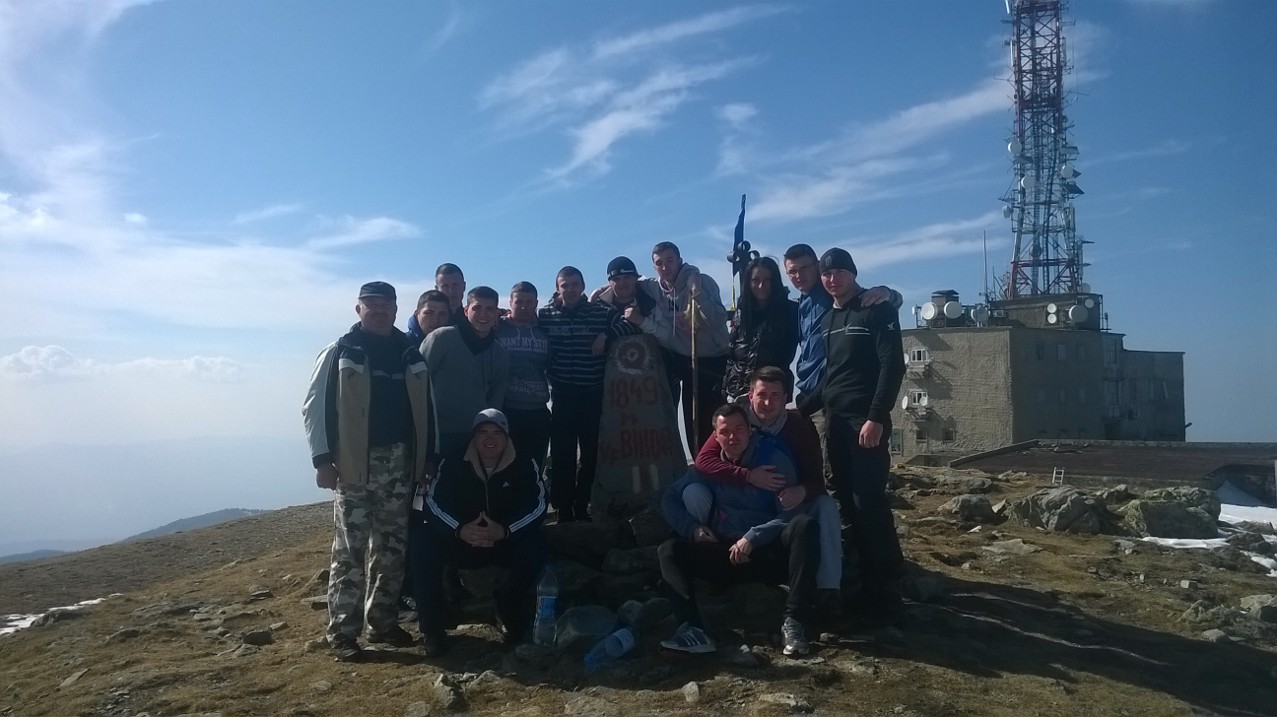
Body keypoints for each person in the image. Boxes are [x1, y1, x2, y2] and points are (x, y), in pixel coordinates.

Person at [302, 281, 433, 661]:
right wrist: (322, 460)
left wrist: (427, 458)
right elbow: (314, 407)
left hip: (401, 463)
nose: (378, 310)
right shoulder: (341, 351)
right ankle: (343, 633)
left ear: (395, 309)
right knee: (350, 551)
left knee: (391, 548)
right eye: (370, 304)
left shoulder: (410, 353)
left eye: (385, 304)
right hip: (353, 465)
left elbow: (428, 410)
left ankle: (382, 623)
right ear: (358, 309)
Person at [657, 403, 819, 657]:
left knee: (805, 526)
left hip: (765, 553)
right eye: (725, 432)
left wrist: (753, 537)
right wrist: (693, 529)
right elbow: (669, 497)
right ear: (716, 436)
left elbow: (791, 513)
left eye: (739, 429)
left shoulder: (774, 460)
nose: (733, 437)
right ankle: (693, 631)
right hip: (724, 551)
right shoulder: (710, 467)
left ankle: (794, 623)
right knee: (669, 550)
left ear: (750, 430)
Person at [804, 248, 907, 622]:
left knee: (868, 502)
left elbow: (892, 365)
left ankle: (889, 584)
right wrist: (797, 409)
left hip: (865, 423)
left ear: (853, 273)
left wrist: (876, 417)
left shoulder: (876, 309)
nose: (832, 279)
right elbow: (832, 376)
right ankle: (862, 580)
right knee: (843, 501)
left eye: (839, 272)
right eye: (827, 274)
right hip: (834, 424)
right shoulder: (829, 319)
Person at [692, 366, 843, 608]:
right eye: (761, 395)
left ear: (786, 398)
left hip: (783, 504)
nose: (767, 403)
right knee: (693, 493)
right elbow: (704, 461)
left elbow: (816, 478)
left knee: (825, 506)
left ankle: (828, 588)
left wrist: (802, 490)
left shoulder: (797, 426)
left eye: (775, 396)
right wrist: (748, 476)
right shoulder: (735, 419)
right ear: (750, 395)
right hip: (740, 502)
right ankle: (710, 560)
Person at [411, 409, 547, 656]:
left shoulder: (525, 462)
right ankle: (432, 628)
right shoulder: (453, 460)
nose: (489, 438)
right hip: (462, 541)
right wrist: (459, 530)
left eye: (497, 432)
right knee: (422, 543)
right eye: (483, 432)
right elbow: (432, 502)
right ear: (473, 437)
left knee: (537, 545)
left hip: (503, 542)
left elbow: (537, 506)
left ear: (507, 436)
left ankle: (507, 607)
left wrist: (505, 531)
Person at [537, 266, 641, 521]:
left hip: (593, 393)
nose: (570, 289)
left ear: (583, 286)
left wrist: (606, 335)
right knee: (562, 454)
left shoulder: (601, 312)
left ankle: (582, 505)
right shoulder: (546, 315)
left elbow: (631, 325)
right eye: (565, 285)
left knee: (591, 453)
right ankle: (562, 508)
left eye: (575, 284)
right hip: (562, 394)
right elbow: (524, 322)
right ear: (557, 288)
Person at [636, 242, 730, 454]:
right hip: (688, 364)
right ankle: (701, 463)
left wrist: (697, 293)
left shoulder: (703, 282)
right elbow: (630, 281)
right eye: (659, 263)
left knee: (718, 422)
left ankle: (724, 463)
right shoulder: (655, 287)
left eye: (670, 261)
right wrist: (598, 293)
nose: (665, 267)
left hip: (714, 363)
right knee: (693, 424)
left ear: (679, 260)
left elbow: (717, 321)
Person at [421, 286, 509, 459]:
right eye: (477, 308)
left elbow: (496, 400)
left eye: (489, 309)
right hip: (436, 435)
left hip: (474, 438)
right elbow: (419, 384)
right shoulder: (441, 338)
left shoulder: (500, 353)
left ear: (496, 313)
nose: (483, 314)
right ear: (466, 310)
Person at [723, 257, 800, 402]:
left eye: (767, 280)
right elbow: (731, 355)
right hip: (736, 394)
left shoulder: (790, 312)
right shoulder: (742, 313)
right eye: (756, 280)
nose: (761, 285)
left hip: (769, 394)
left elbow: (786, 357)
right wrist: (725, 389)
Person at [494, 281, 552, 469]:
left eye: (529, 302)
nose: (524, 307)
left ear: (536, 303)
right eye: (519, 302)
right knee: (505, 467)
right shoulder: (497, 328)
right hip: (507, 409)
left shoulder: (546, 330)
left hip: (538, 411)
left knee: (534, 468)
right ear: (510, 302)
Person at [592, 256, 659, 321]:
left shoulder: (650, 301)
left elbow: (663, 327)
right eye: (616, 279)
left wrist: (641, 321)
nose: (622, 283)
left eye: (627, 277)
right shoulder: (598, 307)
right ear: (609, 283)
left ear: (636, 279)